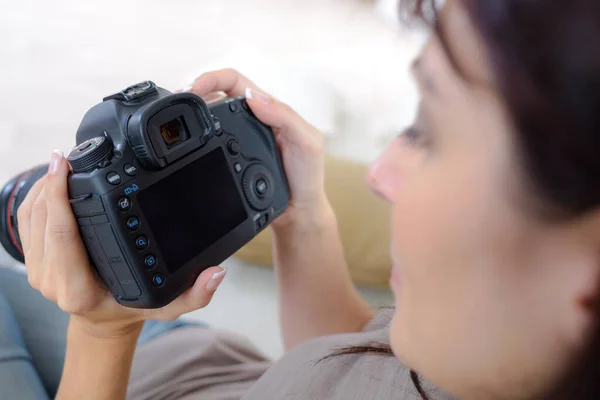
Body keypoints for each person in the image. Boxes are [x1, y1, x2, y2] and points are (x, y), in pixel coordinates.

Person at [5, 0, 600, 398]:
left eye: (428, 129)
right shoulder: (484, 347)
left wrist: (104, 335)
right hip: (208, 362)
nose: (378, 175)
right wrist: (303, 212)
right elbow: (350, 366)